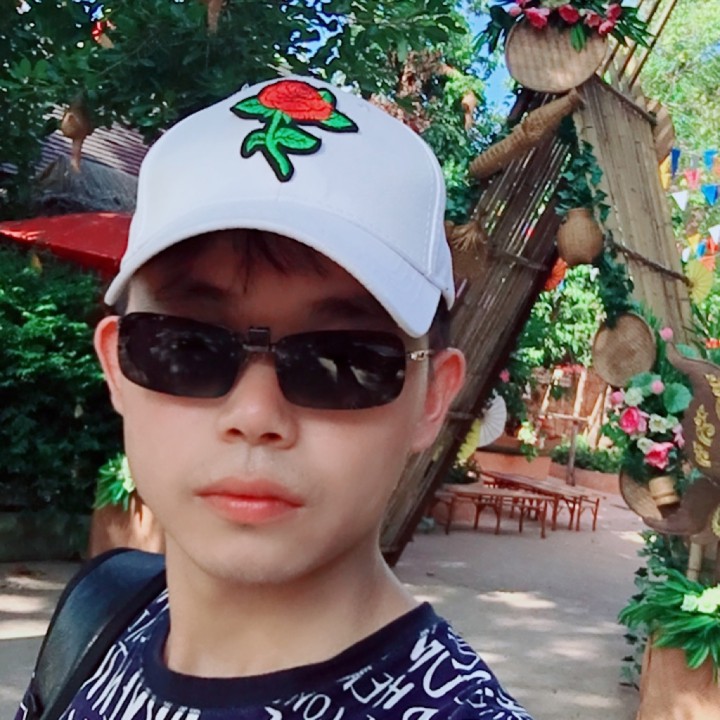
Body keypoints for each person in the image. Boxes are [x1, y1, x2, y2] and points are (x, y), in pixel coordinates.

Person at [16, 76, 534, 720]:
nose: (255, 416)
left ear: (432, 397)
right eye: (188, 346)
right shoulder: (95, 622)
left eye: (342, 361)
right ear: (117, 368)